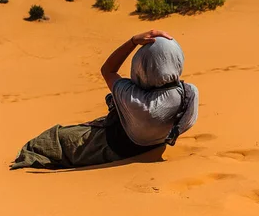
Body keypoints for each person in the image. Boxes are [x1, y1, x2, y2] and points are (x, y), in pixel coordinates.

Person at [10, 30, 198, 170]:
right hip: (154, 144)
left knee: (52, 139)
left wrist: (132, 41)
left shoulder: (136, 100)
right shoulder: (188, 94)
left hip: (112, 147)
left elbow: (107, 70)